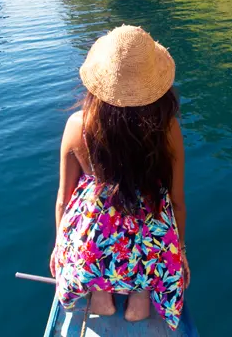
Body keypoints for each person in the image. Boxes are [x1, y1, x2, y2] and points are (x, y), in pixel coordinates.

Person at [50, 25, 189, 328]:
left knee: (92, 234)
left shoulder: (77, 125)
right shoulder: (167, 129)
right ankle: (139, 296)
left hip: (94, 245)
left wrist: (60, 247)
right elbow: (177, 202)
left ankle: (101, 293)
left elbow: (63, 199)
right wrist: (180, 252)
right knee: (149, 244)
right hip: (148, 244)